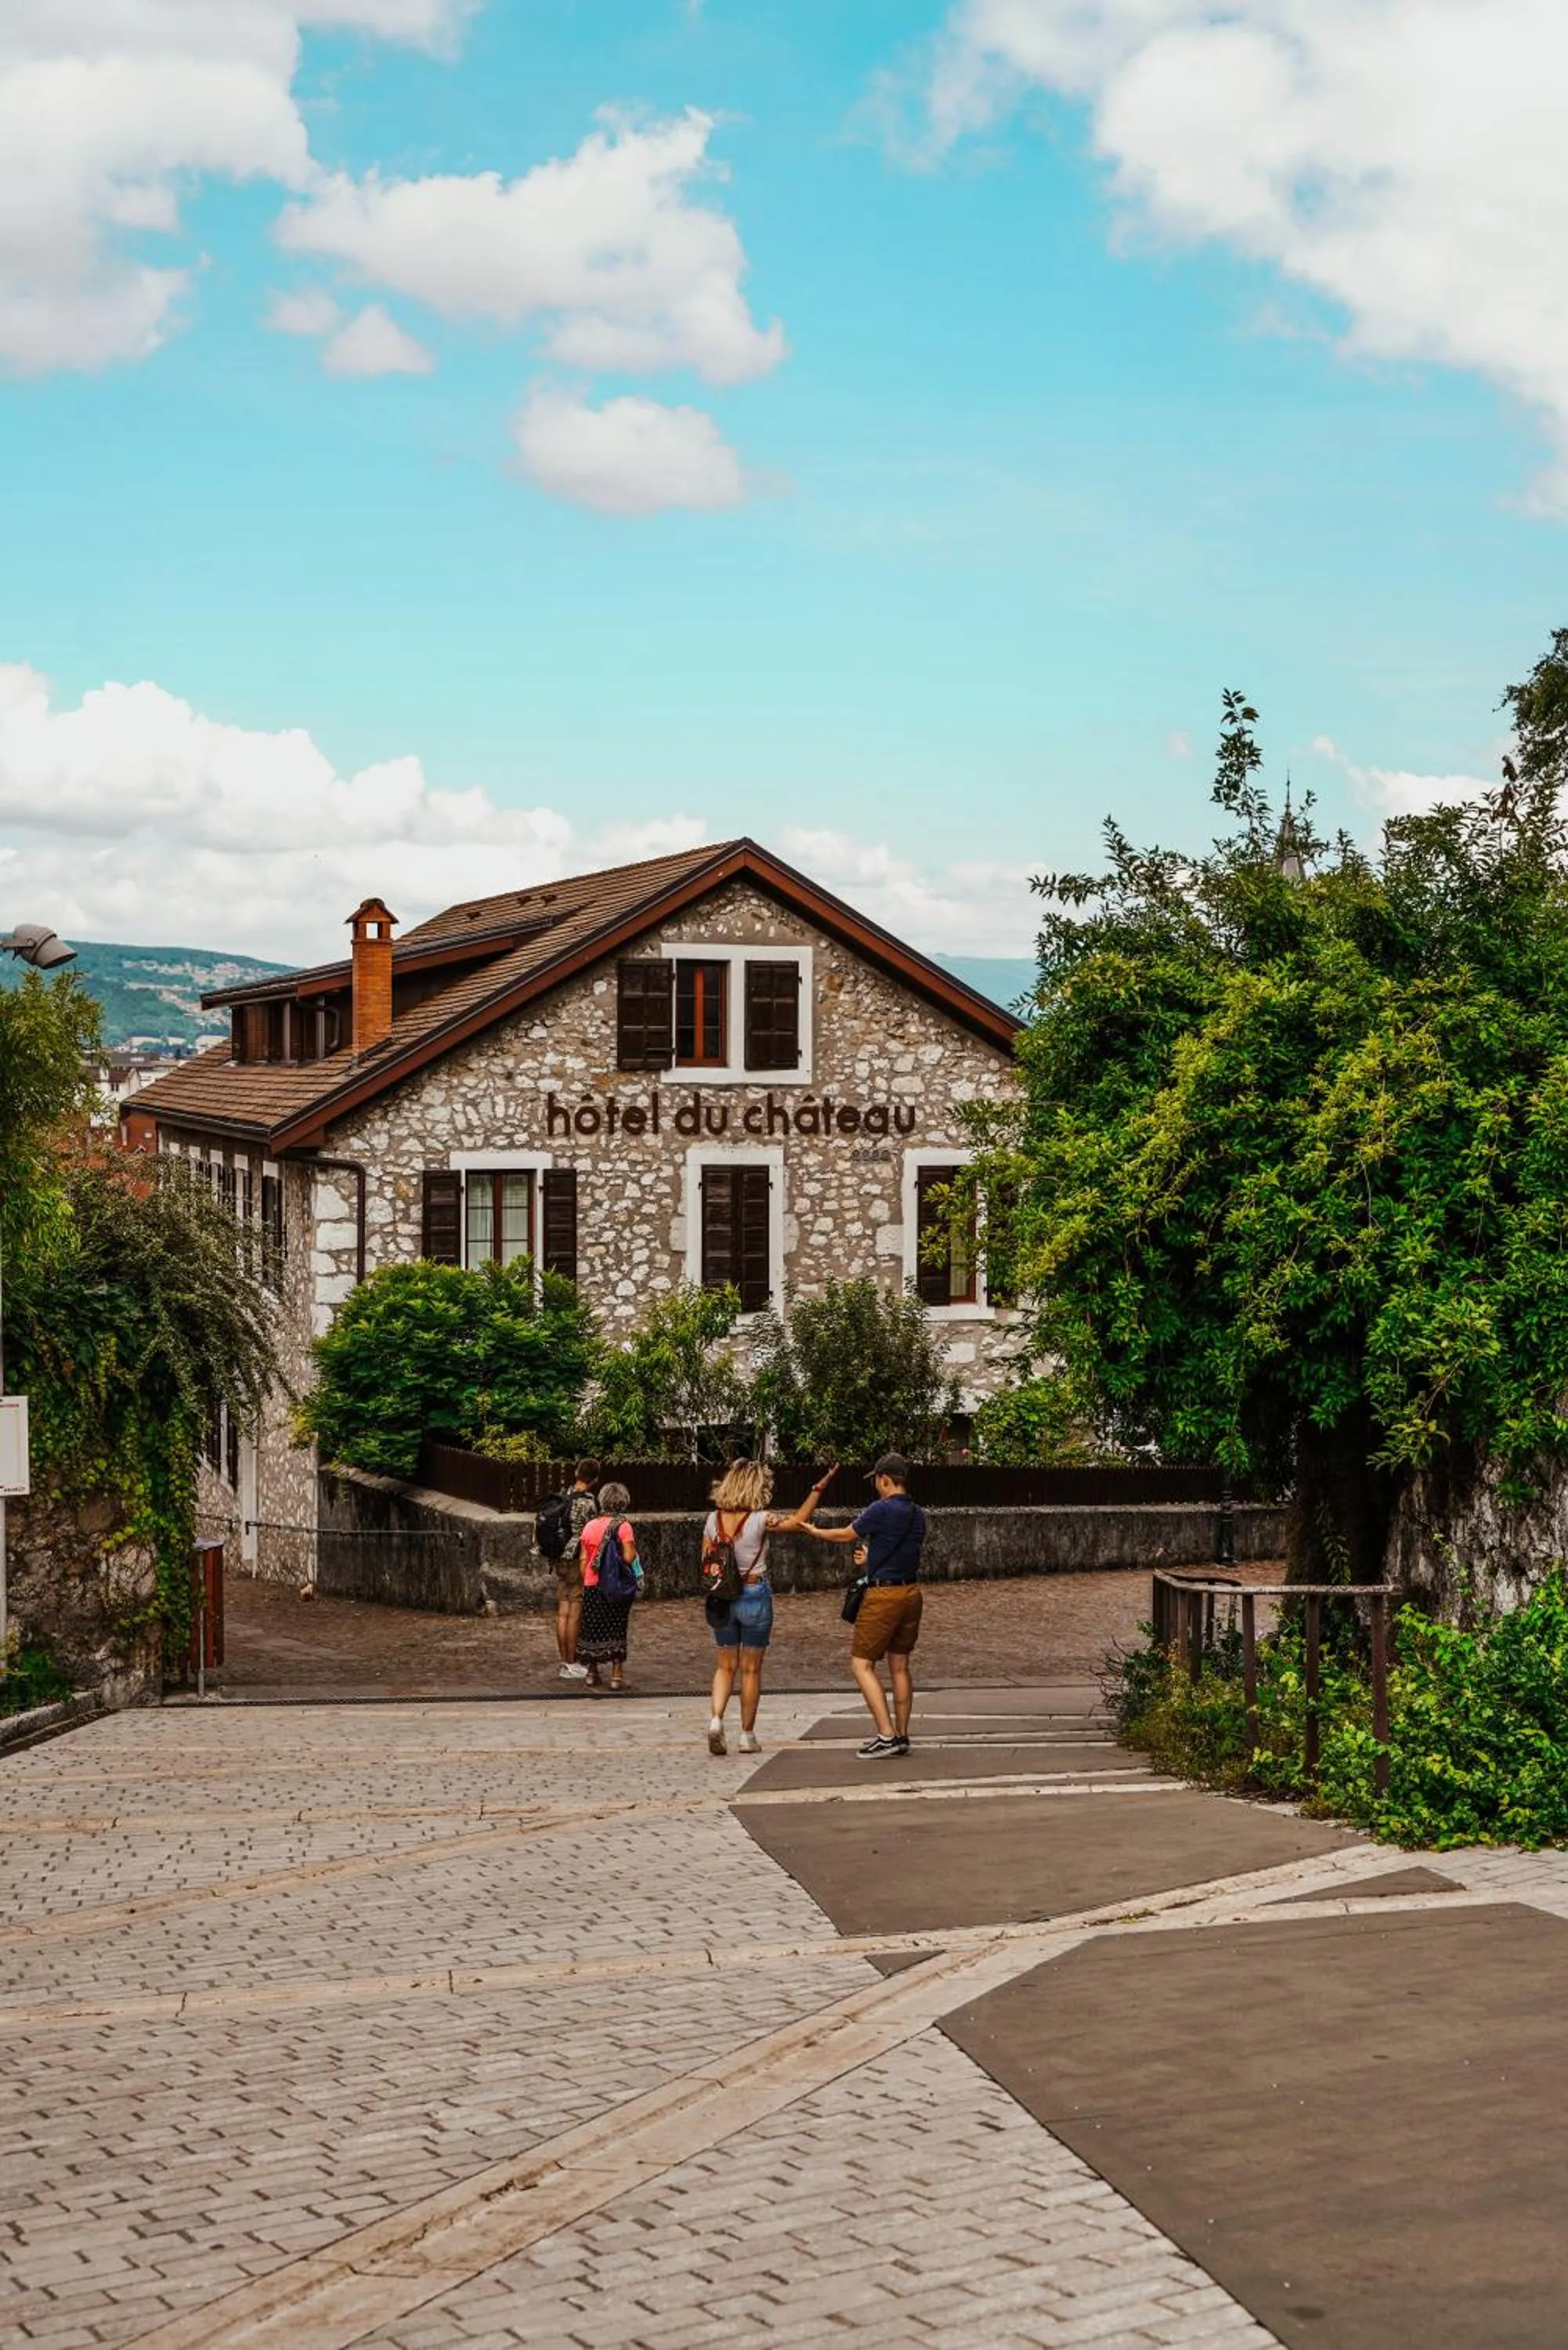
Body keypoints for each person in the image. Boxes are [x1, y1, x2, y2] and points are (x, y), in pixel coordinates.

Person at [703, 1460, 837, 1756]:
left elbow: (707, 1560)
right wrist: (817, 1490)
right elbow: (799, 1522)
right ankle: (746, 1736)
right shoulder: (761, 1520)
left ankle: (716, 1720)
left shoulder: (713, 1519)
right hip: (753, 1592)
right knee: (751, 1670)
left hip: (723, 1597)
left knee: (725, 1666)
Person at [804, 1452, 927, 1759]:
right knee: (900, 1665)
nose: (876, 1486)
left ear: (885, 1479)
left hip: (884, 1596)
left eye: (877, 1480)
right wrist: (872, 1560)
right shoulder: (917, 1513)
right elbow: (903, 1553)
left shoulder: (880, 1509)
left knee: (861, 1664)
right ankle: (902, 1734)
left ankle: (886, 1734)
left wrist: (814, 1531)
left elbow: (846, 1534)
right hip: (911, 1593)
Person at [577, 1480, 643, 1691]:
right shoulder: (623, 1526)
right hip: (614, 1585)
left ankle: (592, 1672)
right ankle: (616, 1676)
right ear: (623, 1502)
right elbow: (629, 1556)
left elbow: (583, 1558)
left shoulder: (589, 1526)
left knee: (592, 1628)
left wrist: (587, 1578)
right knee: (616, 1628)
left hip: (591, 1584)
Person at [555, 1457, 601, 1681]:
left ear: (576, 1474)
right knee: (574, 1613)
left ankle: (564, 1662)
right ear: (595, 1480)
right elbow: (594, 1533)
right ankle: (572, 1663)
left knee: (562, 1611)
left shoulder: (563, 1495)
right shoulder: (589, 1503)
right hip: (577, 1559)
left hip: (560, 1559)